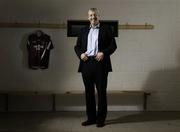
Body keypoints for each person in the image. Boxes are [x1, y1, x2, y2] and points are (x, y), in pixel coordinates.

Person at [74, 8, 117, 127]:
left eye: (95, 15)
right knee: (89, 93)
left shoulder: (106, 29)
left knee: (101, 92)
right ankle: (91, 118)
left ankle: (101, 119)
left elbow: (113, 46)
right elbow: (76, 47)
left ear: (99, 16)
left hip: (101, 64)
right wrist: (80, 54)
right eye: (91, 15)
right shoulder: (83, 31)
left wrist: (103, 53)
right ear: (88, 17)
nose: (93, 17)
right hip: (86, 64)